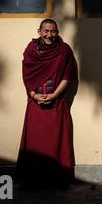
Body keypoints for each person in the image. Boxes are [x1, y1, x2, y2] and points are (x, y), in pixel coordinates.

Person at [16, 18, 77, 190]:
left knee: (55, 143)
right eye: (46, 31)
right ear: (39, 31)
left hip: (56, 103)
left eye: (53, 31)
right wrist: (34, 95)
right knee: (35, 143)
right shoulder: (31, 49)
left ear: (57, 32)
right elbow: (26, 74)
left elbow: (67, 76)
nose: (49, 34)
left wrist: (54, 95)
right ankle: (33, 180)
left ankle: (56, 180)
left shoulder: (64, 50)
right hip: (36, 104)